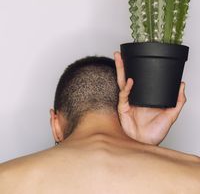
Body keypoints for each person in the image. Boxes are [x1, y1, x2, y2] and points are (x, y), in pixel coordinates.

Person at [0, 51, 199, 193]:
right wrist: (142, 145)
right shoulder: (193, 175)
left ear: (56, 124)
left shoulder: (6, 180)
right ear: (126, 114)